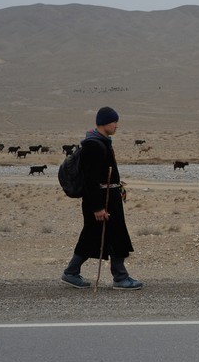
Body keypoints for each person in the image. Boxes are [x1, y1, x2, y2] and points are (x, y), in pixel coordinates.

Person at [61, 106, 142, 290]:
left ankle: (73, 272)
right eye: (114, 122)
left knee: (106, 236)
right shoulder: (93, 145)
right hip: (100, 200)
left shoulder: (102, 142)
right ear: (105, 123)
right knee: (102, 236)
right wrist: (97, 207)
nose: (117, 125)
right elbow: (90, 180)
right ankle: (119, 278)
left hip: (108, 198)